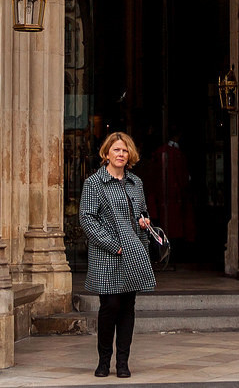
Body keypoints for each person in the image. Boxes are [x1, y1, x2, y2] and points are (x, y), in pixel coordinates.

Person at [80, 132, 156, 378]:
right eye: (116, 150)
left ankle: (122, 362)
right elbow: (87, 220)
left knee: (128, 306)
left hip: (133, 251)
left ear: (129, 154)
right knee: (110, 305)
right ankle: (104, 361)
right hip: (108, 253)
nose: (121, 154)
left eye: (124, 151)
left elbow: (142, 211)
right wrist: (114, 245)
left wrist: (144, 221)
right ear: (107, 153)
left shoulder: (136, 183)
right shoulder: (94, 183)